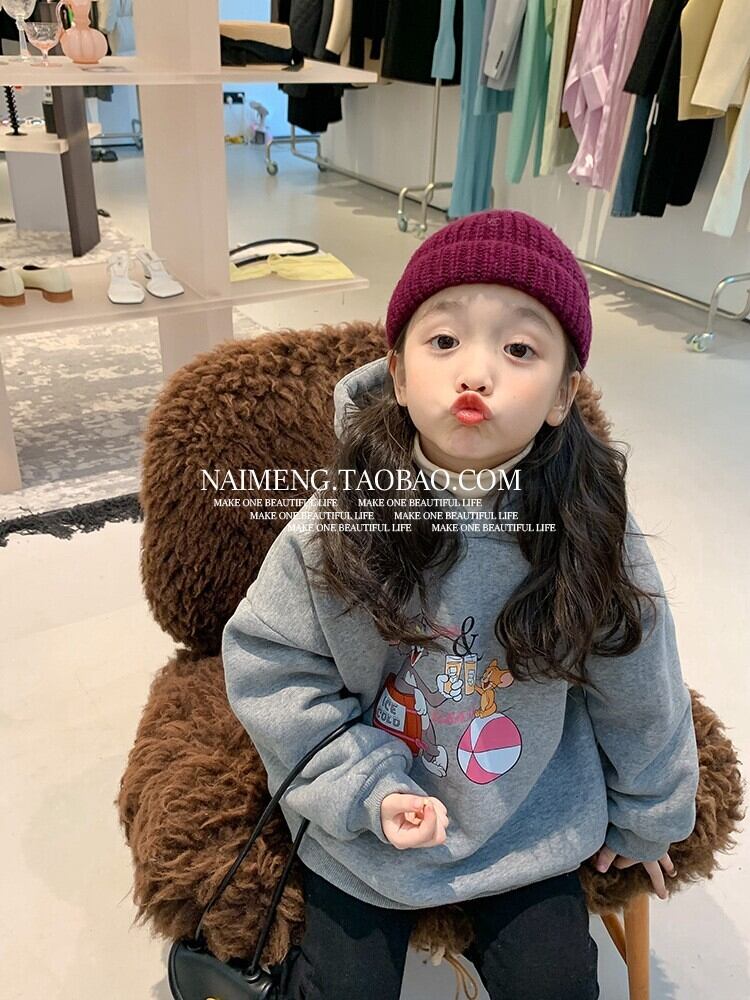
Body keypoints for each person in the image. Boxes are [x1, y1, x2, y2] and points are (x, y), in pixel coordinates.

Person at [222, 209, 700, 1000]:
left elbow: (639, 676)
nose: (476, 372)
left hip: (528, 821)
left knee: (556, 985)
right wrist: (369, 789)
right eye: (444, 341)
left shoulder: (592, 526)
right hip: (365, 827)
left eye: (520, 349)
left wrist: (652, 809)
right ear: (398, 374)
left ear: (563, 394)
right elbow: (273, 668)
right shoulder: (336, 522)